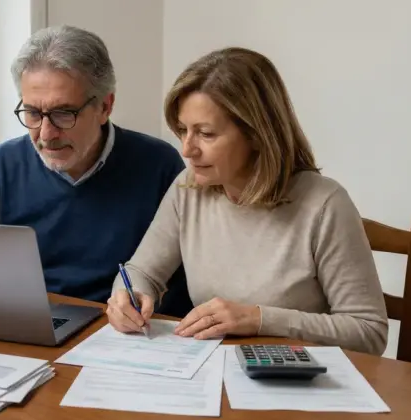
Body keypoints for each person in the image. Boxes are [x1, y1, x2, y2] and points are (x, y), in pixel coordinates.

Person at [106, 47, 389, 355]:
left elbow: (368, 332)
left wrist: (258, 319)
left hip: (293, 384)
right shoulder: (187, 189)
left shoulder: (325, 205)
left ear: (256, 134)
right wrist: (127, 294)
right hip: (210, 372)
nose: (187, 150)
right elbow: (142, 272)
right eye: (184, 130)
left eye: (206, 134)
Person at [0, 25, 191, 315]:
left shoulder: (159, 164)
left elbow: (181, 281)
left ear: (105, 106)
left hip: (121, 331)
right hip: (27, 321)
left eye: (63, 113)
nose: (46, 134)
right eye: (33, 113)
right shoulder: (3, 164)